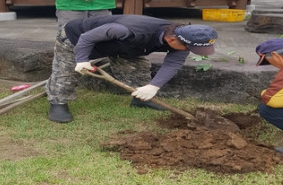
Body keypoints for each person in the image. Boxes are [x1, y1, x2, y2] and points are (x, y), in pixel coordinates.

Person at [46, 14, 218, 123]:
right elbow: (87, 37)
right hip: (77, 38)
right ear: (173, 40)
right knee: (66, 71)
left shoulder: (182, 38)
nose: (190, 52)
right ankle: (58, 102)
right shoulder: (129, 30)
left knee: (138, 68)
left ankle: (140, 98)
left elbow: (173, 63)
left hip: (124, 46)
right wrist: (82, 59)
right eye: (190, 49)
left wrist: (153, 86)